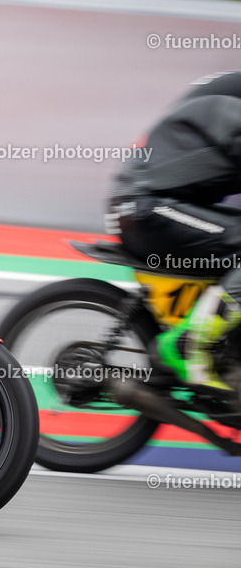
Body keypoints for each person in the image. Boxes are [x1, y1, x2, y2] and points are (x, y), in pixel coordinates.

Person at [107, 70, 241, 391]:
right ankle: (190, 346)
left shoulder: (225, 93)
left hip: (152, 204)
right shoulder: (230, 108)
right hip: (146, 208)